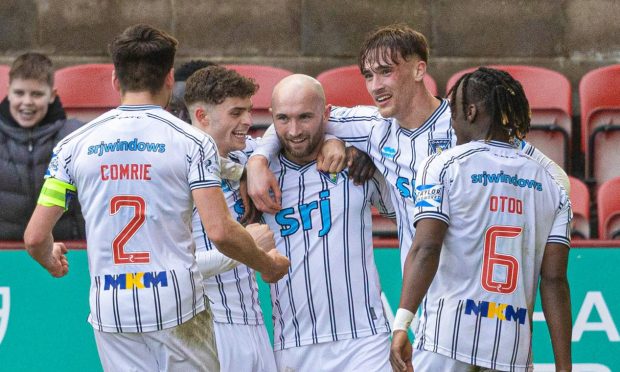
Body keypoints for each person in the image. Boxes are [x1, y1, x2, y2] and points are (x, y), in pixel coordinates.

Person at [23, 24, 289, 371]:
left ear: (116, 80)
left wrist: (49, 256)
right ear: (168, 79)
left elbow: (35, 237)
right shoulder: (193, 143)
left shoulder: (72, 146)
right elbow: (221, 232)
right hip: (175, 306)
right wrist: (267, 264)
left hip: (112, 309)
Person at [390, 67, 572, 371]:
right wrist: (564, 367)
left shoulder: (442, 166)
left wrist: (402, 325)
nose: (450, 121)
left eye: (453, 111)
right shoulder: (552, 182)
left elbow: (426, 249)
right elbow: (554, 281)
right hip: (511, 349)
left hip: (445, 340)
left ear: (471, 112)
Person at [247, 23, 455, 272]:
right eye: (368, 75)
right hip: (425, 293)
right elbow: (294, 117)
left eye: (385, 71)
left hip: (483, 283)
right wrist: (257, 161)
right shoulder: (372, 126)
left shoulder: (464, 126)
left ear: (419, 69)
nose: (375, 86)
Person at [261, 74, 395, 371]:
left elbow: (398, 212)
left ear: (326, 114)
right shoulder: (259, 175)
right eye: (283, 118)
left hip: (365, 339)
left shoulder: (354, 163)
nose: (294, 130)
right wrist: (256, 162)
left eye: (305, 117)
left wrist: (365, 158)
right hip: (294, 343)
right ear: (271, 118)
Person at [184, 65, 278, 371]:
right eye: (236, 113)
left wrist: (259, 162)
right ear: (202, 116)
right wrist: (245, 248)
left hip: (254, 321)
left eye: (249, 111)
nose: (248, 122)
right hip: (208, 325)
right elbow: (176, 267)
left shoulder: (243, 156)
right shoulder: (175, 172)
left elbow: (282, 130)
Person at [0, 52, 84, 240]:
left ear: (52, 95)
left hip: (65, 250)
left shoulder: (75, 137)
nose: (27, 102)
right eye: (19, 93)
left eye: (37, 94)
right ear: (8, 92)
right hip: (5, 253)